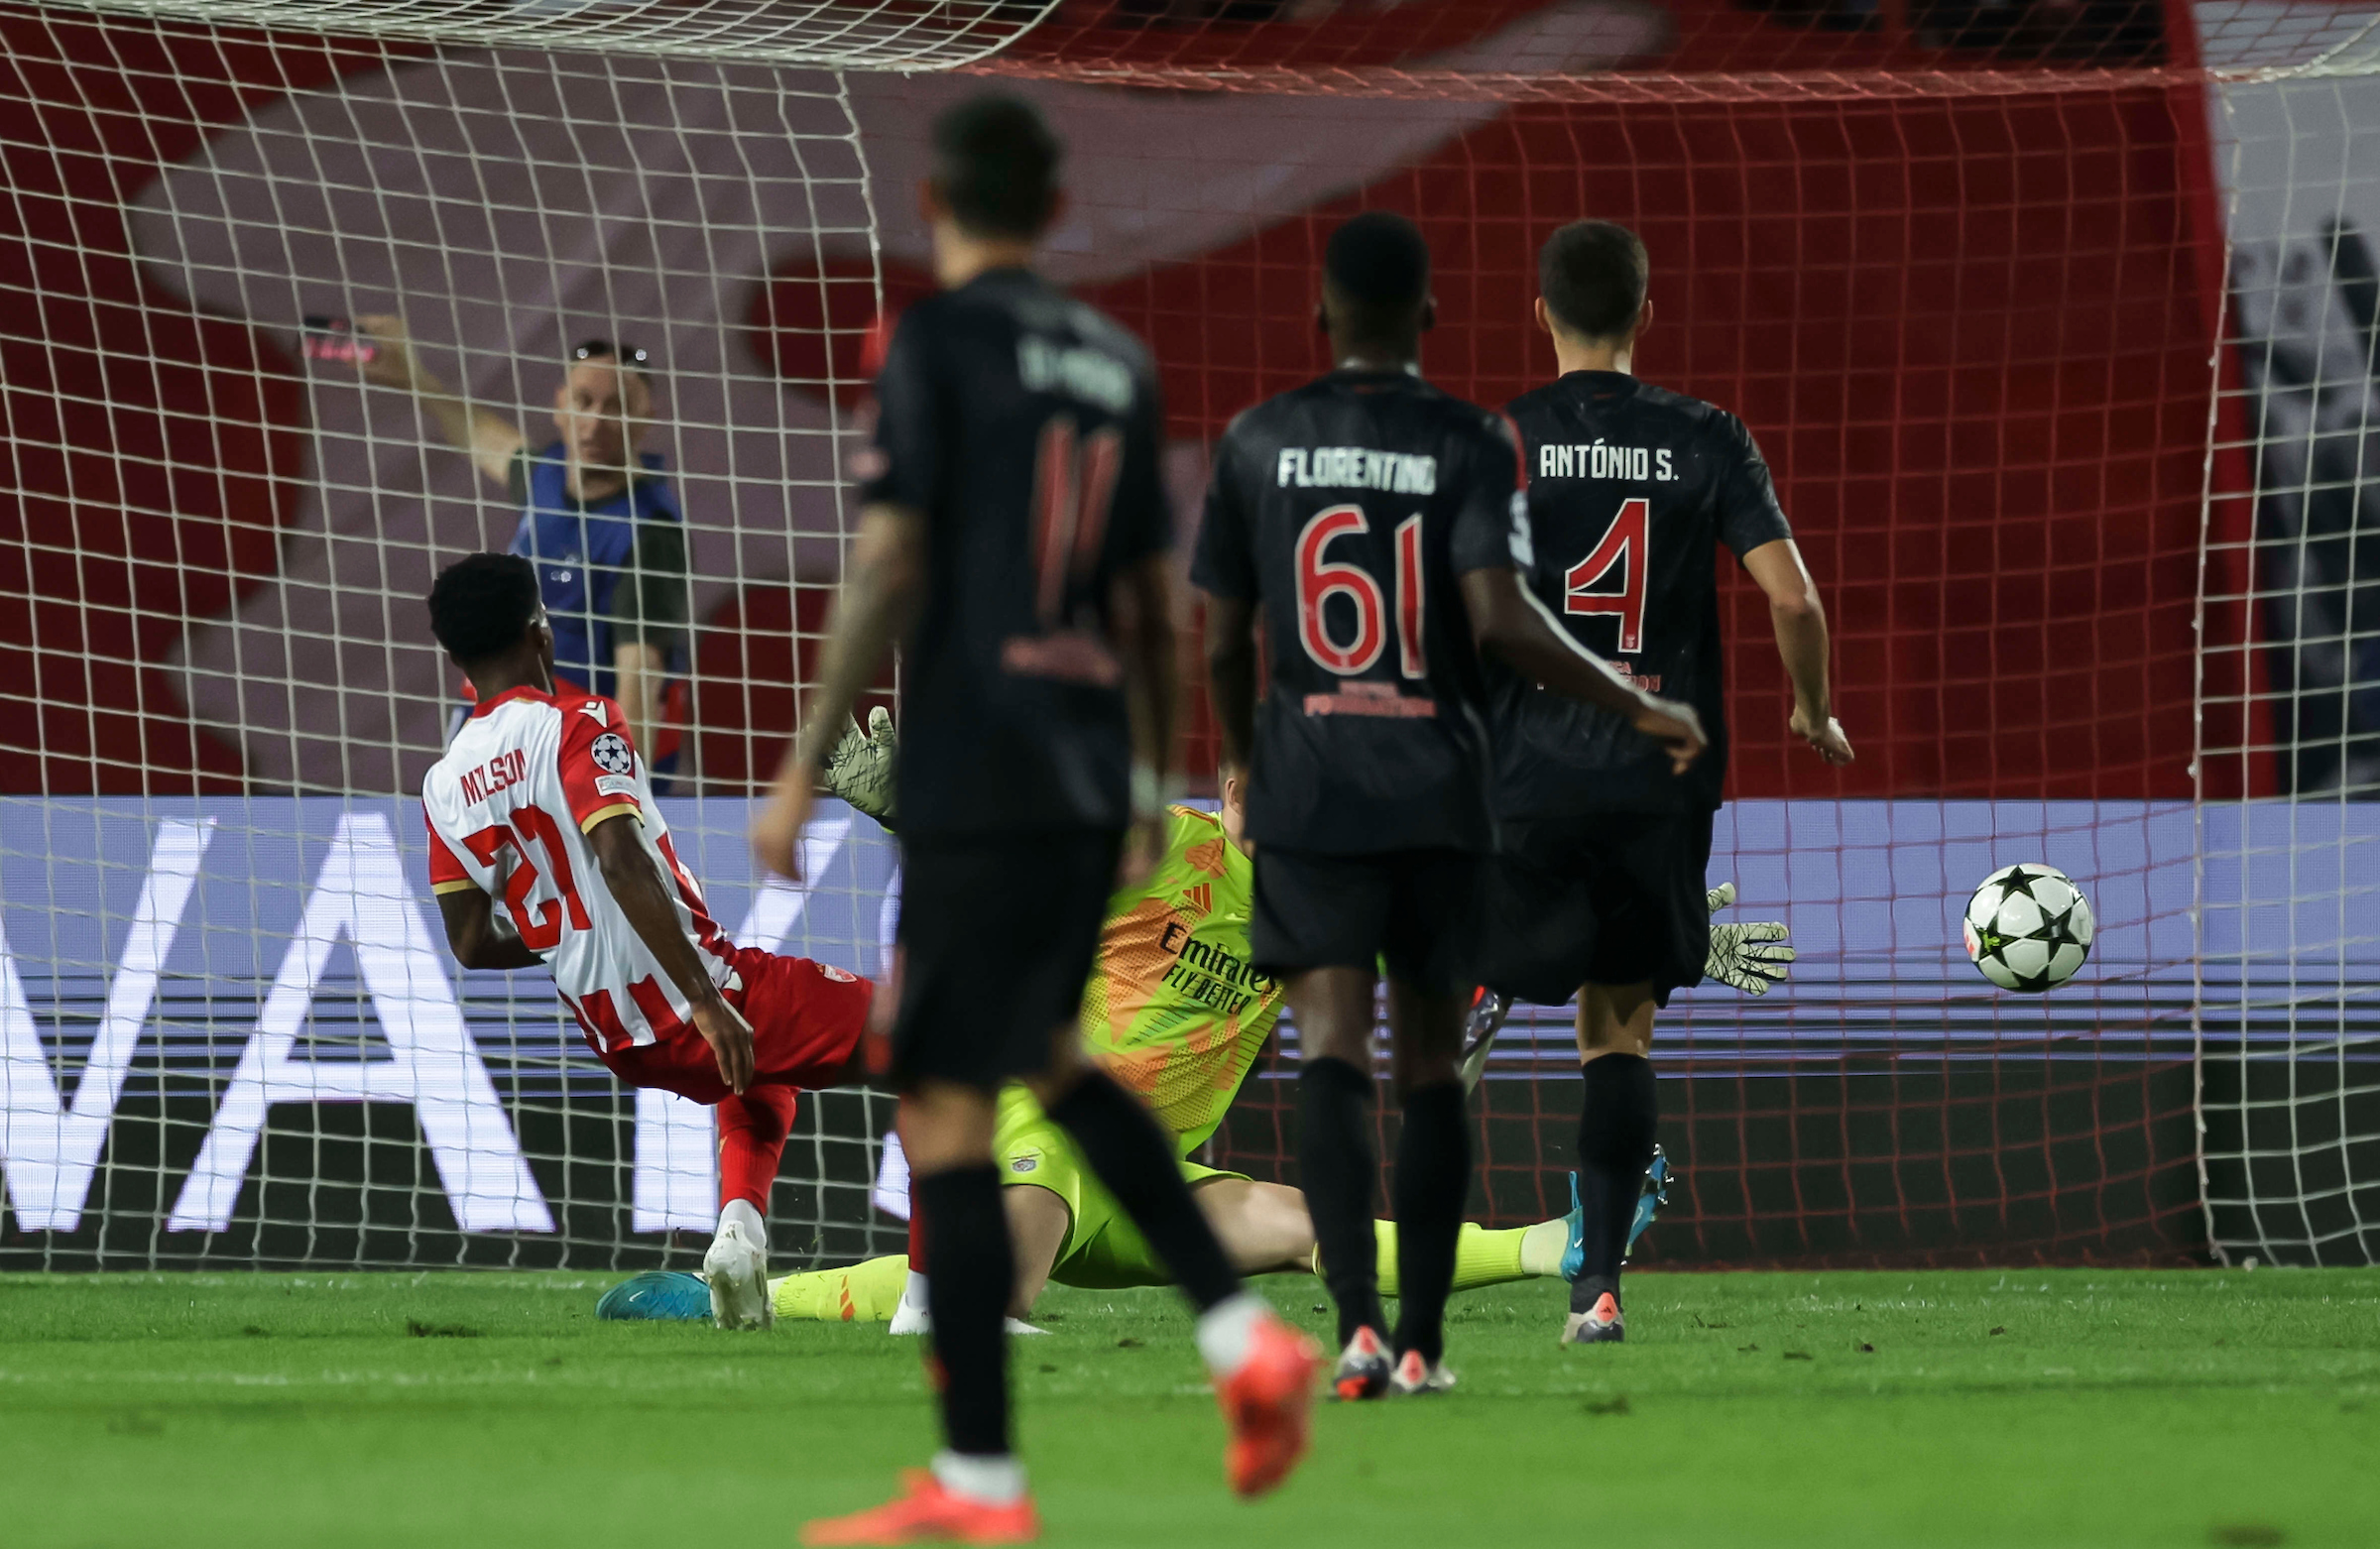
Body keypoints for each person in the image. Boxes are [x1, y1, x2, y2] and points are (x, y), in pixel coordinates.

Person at [748, 93, 1319, 1545]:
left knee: (951, 1083)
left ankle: (1002, 1473)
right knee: (1029, 1063)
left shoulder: (929, 341)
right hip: (1081, 762)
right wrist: (1141, 778)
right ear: (1057, 210)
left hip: (978, 747)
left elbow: (886, 559)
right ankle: (1198, 1364)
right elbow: (1154, 606)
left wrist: (810, 758)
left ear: (936, 200)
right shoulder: (1117, 363)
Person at [602, 753, 1742, 1328]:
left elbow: (1479, 956)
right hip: (1042, 1119)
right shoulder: (1162, 849)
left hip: (1152, 1177)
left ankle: (1561, 1240)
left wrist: (1648, 942)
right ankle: (711, 1304)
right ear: (1242, 785)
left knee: (1314, 1226)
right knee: (990, 1300)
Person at [1195, 210, 1710, 1400]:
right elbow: (1506, 624)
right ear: (1428, 316)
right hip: (1433, 783)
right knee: (1427, 1062)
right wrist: (1631, 703)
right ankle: (1422, 1340)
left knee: (1328, 1045)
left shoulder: (1260, 439)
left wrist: (1247, 757)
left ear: (1321, 315)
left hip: (1311, 780)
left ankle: (1360, 1331)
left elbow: (1222, 633)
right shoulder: (1471, 442)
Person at [1478, 219, 1855, 1347]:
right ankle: (1597, 1287)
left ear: (1538, 312)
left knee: (1456, 951)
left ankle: (1486, 978)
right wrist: (1812, 706)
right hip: (1659, 783)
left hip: (1527, 776)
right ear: (1648, 312)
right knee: (1617, 1038)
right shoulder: (1709, 437)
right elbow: (1793, 598)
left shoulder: (1500, 438)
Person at [417, 552, 873, 1332]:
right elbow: (619, 857)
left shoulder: (442, 782)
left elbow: (468, 941)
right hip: (698, 992)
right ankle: (940, 1303)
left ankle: (739, 1234)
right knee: (941, 1042)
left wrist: (565, 940)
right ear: (542, 634)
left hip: (615, 1035)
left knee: (758, 1077)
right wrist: (705, 1000)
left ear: (454, 660)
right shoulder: (579, 722)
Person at [359, 318, 691, 777]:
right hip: (505, 708)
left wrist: (623, 797)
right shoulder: (546, 477)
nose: (595, 422)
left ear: (646, 417)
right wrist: (416, 378)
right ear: (559, 406)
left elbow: (640, 680)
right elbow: (482, 435)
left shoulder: (647, 532)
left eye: (616, 407)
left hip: (581, 735)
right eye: (584, 402)